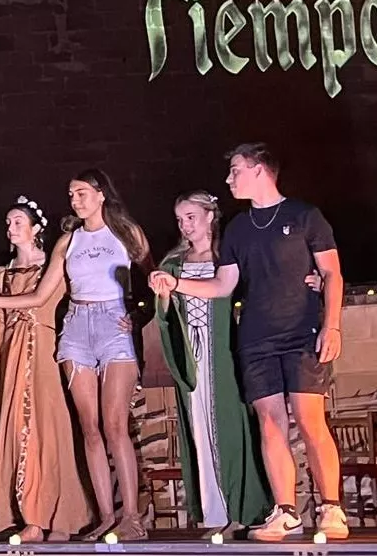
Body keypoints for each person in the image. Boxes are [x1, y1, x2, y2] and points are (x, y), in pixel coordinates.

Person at [150, 144, 348, 541]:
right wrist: (176, 283)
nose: (229, 179)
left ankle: (331, 507)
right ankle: (286, 511)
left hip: (301, 333)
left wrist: (333, 325)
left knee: (310, 421)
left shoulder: (305, 216)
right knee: (270, 425)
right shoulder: (238, 229)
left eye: (235, 170)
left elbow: (332, 274)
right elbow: (224, 285)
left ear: (259, 170)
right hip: (256, 338)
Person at [0, 197, 91, 542]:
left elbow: (41, 302)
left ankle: (58, 515)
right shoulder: (3, 273)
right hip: (14, 354)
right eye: (8, 222)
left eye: (18, 221)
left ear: (36, 229)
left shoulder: (53, 264)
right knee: (18, 427)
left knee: (48, 427)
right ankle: (28, 515)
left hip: (44, 350)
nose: (11, 228)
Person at [148, 191, 273, 536]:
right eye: (180, 219)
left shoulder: (226, 259)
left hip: (224, 355)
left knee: (232, 429)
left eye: (191, 217)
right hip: (193, 356)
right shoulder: (174, 262)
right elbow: (166, 311)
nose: (185, 225)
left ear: (209, 217)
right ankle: (215, 512)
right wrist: (161, 293)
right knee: (200, 431)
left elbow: (254, 290)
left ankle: (244, 510)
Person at [53, 169, 149, 540]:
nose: (75, 201)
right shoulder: (69, 240)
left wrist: (138, 315)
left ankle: (133, 517)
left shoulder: (125, 232)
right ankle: (106, 515)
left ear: (100, 194)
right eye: (71, 194)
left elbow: (152, 279)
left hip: (113, 323)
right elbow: (48, 291)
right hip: (77, 325)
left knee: (114, 425)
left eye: (81, 193)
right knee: (90, 428)